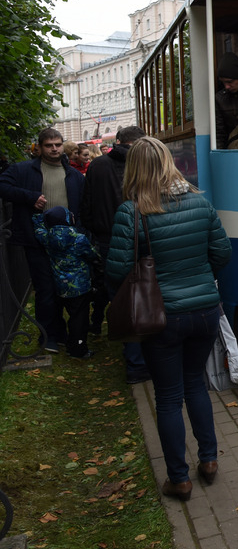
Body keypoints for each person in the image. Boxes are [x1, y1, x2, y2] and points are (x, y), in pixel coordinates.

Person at [106, 137, 232, 502]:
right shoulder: (200, 201)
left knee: (167, 397)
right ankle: (208, 461)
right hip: (205, 311)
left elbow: (117, 270)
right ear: (168, 162)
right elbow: (222, 253)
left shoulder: (132, 212)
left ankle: (179, 479)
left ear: (134, 169)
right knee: (196, 385)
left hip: (161, 317)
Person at [0, 128, 86, 352]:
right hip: (36, 239)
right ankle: (48, 335)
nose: (54, 149)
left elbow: (83, 205)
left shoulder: (73, 174)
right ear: (39, 147)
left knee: (70, 290)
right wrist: (29, 197)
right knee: (45, 290)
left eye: (58, 144)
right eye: (49, 145)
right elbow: (3, 186)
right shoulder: (23, 169)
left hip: (67, 243)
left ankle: (71, 336)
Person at [81, 125, 150, 383]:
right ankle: (146, 358)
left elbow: (86, 204)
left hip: (108, 239)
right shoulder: (143, 164)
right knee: (147, 296)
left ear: (119, 140)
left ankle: (133, 361)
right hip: (141, 237)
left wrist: (96, 232)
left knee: (121, 300)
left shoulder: (97, 166)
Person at [33, 206, 97, 358]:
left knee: (61, 313)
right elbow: (92, 255)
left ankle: (64, 339)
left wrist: (41, 215)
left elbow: (37, 226)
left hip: (60, 286)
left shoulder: (48, 238)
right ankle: (78, 349)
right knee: (79, 320)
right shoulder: (78, 239)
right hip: (80, 287)